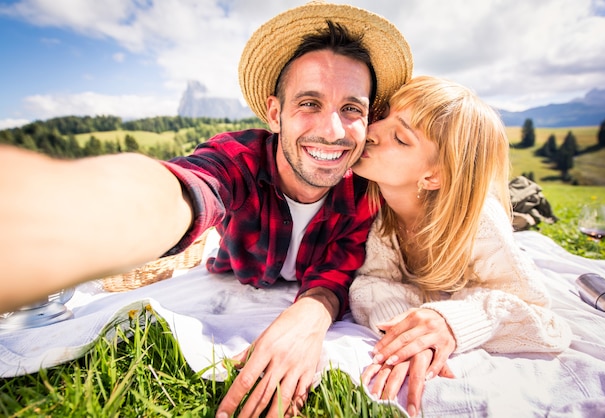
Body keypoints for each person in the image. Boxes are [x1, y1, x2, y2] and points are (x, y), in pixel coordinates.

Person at [0, 3, 412, 417]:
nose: (332, 131)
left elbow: (340, 269)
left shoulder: (367, 189)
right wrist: (53, 218)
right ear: (274, 114)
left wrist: (310, 315)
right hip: (232, 274)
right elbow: (180, 191)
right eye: (309, 103)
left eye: (352, 109)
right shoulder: (238, 158)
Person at [348, 76, 573, 417]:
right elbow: (373, 280)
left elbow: (542, 315)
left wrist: (451, 322)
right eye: (385, 115)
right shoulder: (384, 217)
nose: (372, 129)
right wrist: (400, 331)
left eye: (400, 137)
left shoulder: (481, 225)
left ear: (433, 176)